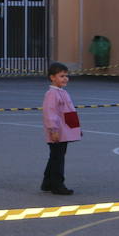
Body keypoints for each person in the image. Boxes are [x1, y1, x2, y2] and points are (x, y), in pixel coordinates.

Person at [41, 62, 81, 195]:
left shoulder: (62, 92)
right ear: (52, 77)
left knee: (55, 157)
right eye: (61, 76)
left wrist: (76, 128)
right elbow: (50, 113)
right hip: (57, 132)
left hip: (65, 130)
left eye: (66, 76)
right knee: (58, 158)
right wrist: (53, 130)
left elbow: (70, 112)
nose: (65, 78)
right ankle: (57, 184)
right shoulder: (52, 94)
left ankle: (47, 182)